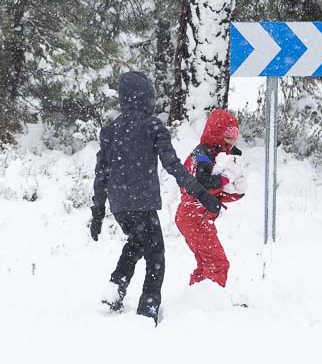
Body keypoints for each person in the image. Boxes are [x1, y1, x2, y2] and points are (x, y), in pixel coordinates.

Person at [90, 72, 221, 323]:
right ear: (145, 96)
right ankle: (147, 308)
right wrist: (201, 194)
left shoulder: (110, 130)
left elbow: (101, 173)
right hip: (143, 203)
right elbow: (173, 165)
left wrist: (97, 211)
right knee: (156, 257)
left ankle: (115, 288)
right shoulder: (153, 126)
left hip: (119, 205)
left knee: (137, 243)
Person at [175, 109, 245, 288]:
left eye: (235, 135)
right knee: (218, 263)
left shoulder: (213, 154)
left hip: (196, 217)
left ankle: (196, 302)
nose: (232, 140)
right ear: (216, 133)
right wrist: (226, 179)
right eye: (228, 135)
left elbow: (211, 192)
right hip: (194, 218)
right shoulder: (202, 153)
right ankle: (211, 305)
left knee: (206, 264)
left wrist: (235, 192)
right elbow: (202, 183)